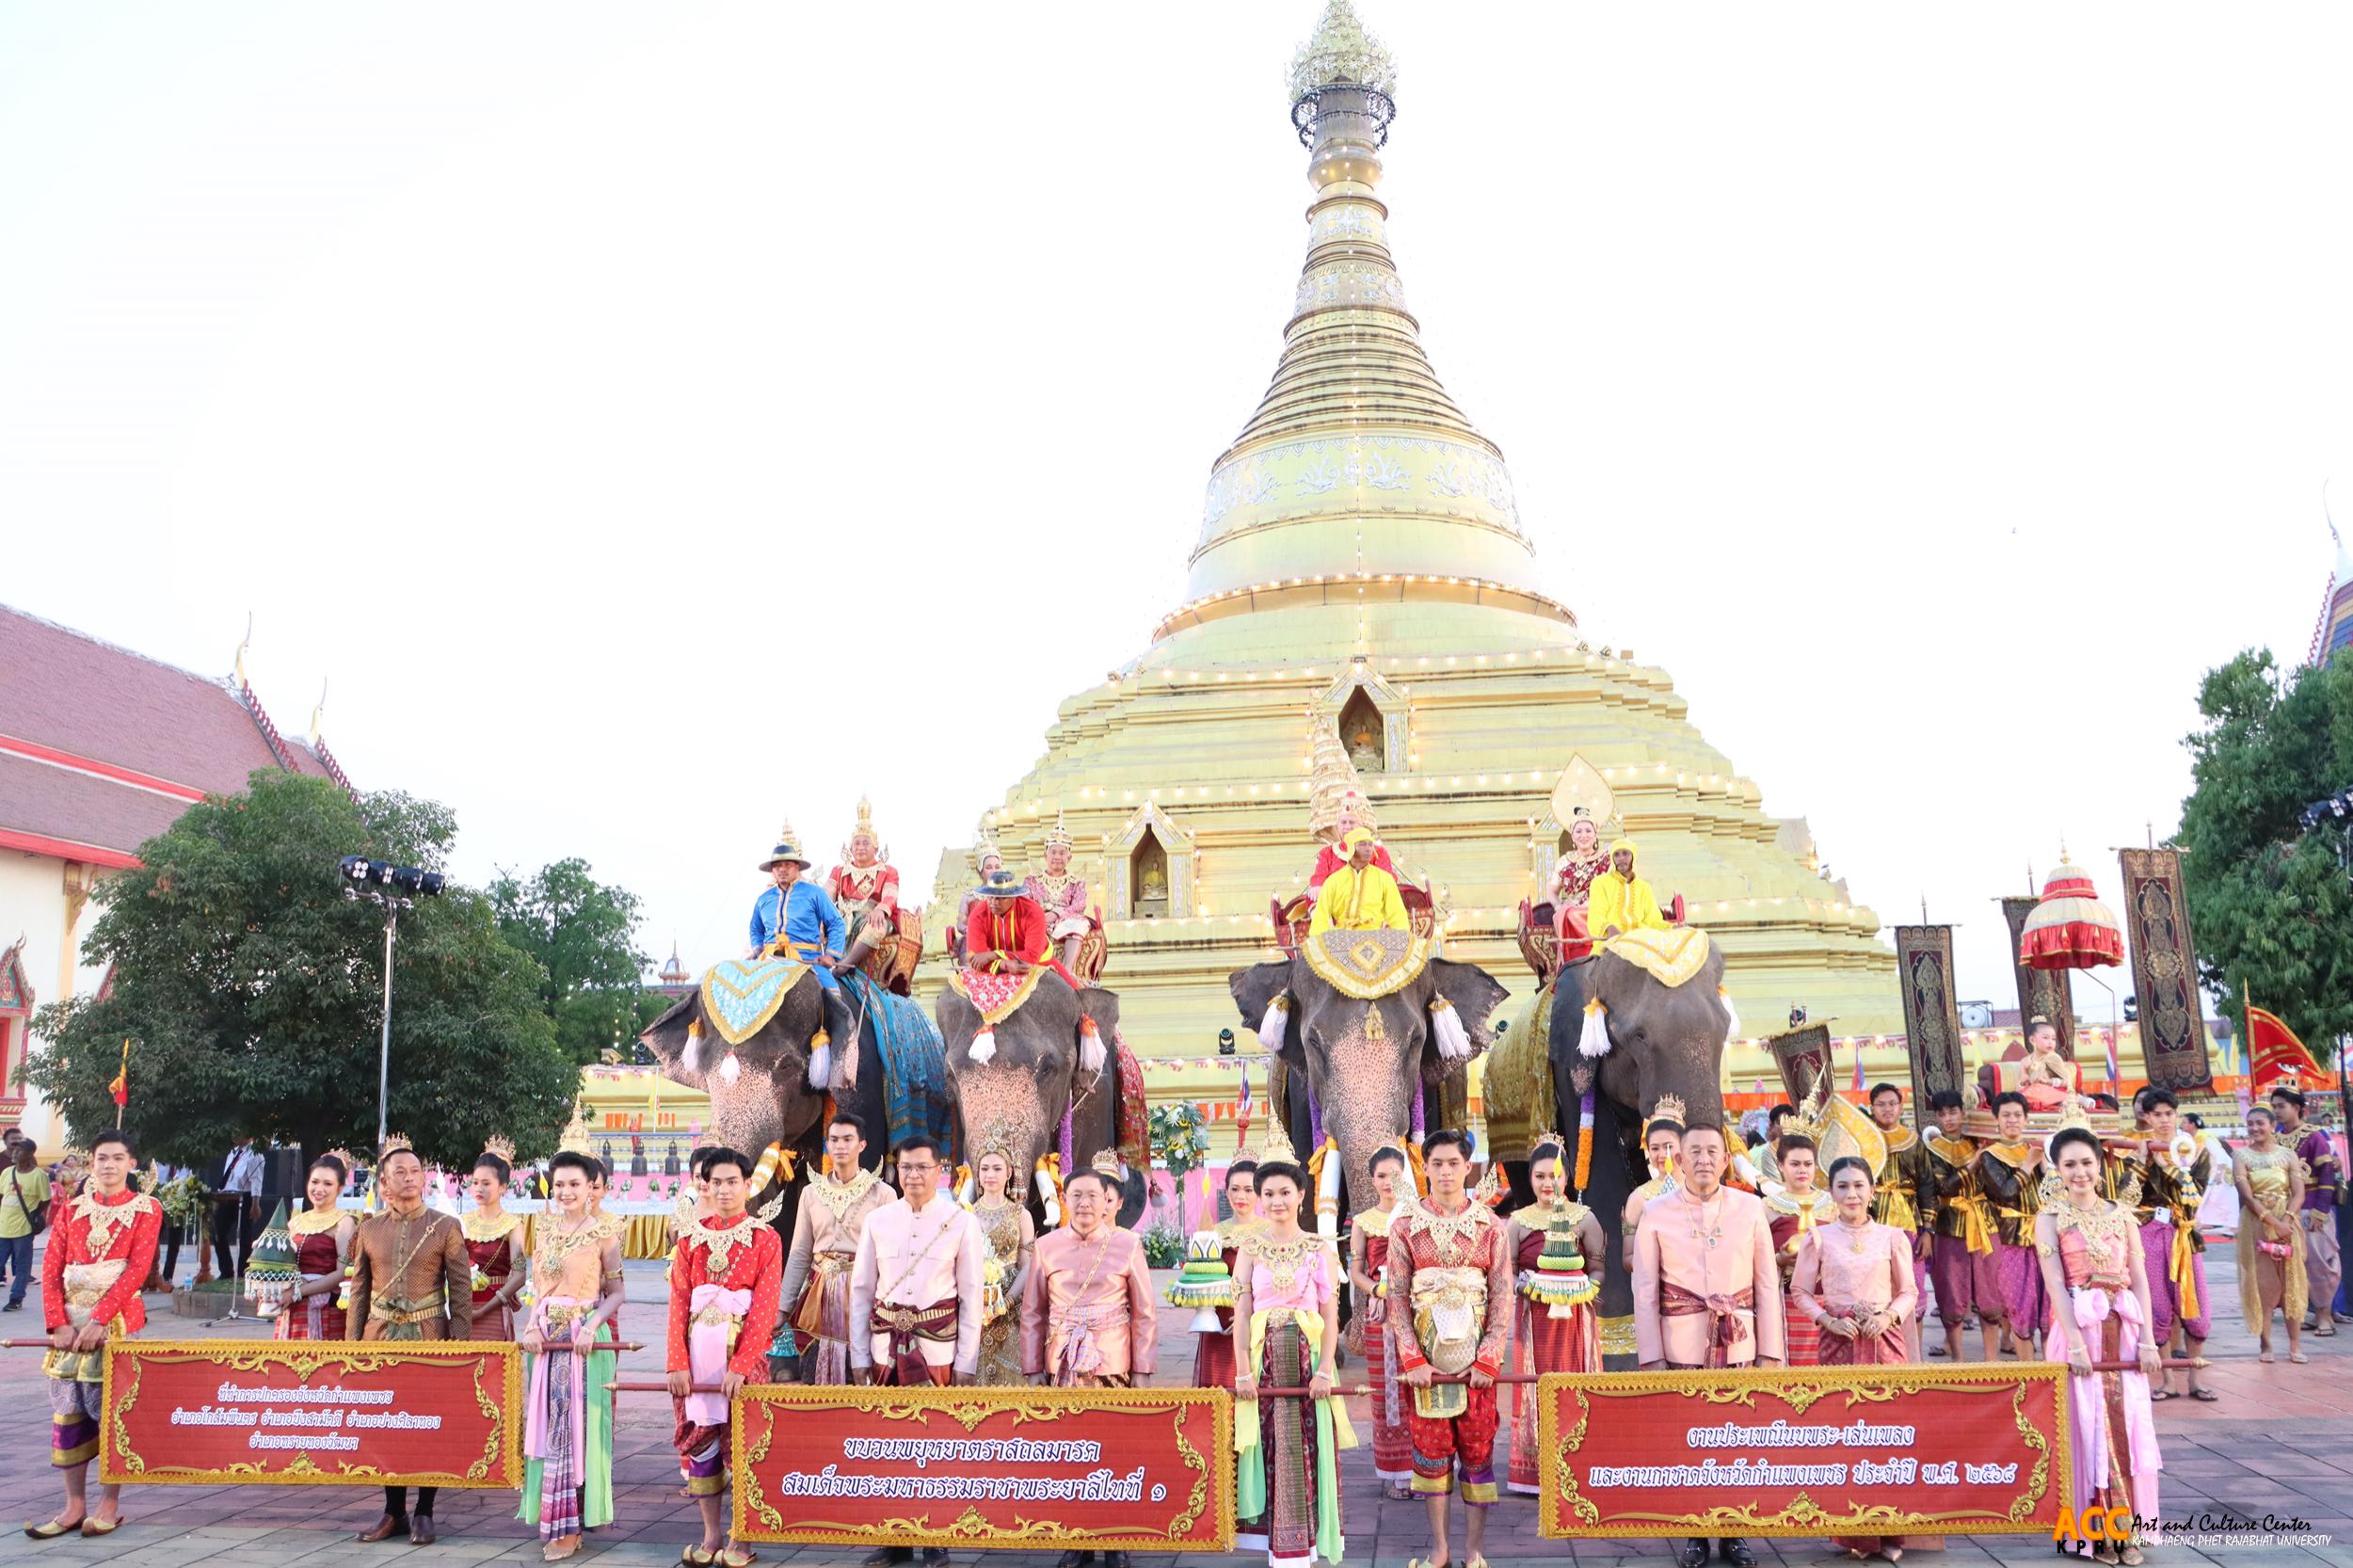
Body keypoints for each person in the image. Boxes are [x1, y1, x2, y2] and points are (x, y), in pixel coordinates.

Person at [1634, 1121, 1784, 1568]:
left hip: (1737, 1349)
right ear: (1677, 1160)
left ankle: (1736, 1534)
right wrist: (1652, 1356)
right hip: (1681, 1353)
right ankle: (1695, 1534)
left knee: (1737, 1442)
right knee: (1690, 1443)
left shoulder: (1749, 1207)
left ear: (1724, 1158)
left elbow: (1766, 1283)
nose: (1703, 1160)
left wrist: (1770, 1351)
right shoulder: (1656, 1212)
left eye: (1711, 1152)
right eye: (1693, 1152)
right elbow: (1645, 1290)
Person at [851, 1135, 982, 1568]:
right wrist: (858, 1355)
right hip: (887, 1350)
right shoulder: (878, 1220)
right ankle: (895, 1537)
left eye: (922, 1167)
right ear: (896, 1169)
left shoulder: (961, 1222)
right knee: (888, 1447)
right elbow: (862, 1291)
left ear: (939, 1169)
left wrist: (966, 1361)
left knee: (936, 1445)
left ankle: (936, 1539)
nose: (913, 1175)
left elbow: (972, 1297)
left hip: (937, 1354)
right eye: (906, 1167)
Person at [26, 1129, 161, 1542]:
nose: (109, 1165)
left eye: (118, 1158)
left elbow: (136, 1271)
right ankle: (72, 1505)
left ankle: (109, 1504)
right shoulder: (70, 1208)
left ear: (132, 1165)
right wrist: (59, 1323)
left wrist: (100, 1320)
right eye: (102, 1158)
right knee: (69, 1414)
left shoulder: (146, 1209)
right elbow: (51, 1268)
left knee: (113, 1414)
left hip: (117, 1322)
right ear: (91, 1163)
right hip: (70, 1325)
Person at [2038, 1124, 2164, 1564]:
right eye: (2069, 1164)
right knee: (2084, 1429)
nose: (2079, 1172)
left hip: (2123, 1331)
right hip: (2079, 1332)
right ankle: (2092, 1536)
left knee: (2128, 1424)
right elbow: (2054, 1285)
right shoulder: (2049, 1219)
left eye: (2086, 1163)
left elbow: (2142, 1283)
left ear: (2100, 1164)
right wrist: (2074, 1343)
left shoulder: (2124, 1216)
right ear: (2057, 1169)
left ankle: (2128, 1533)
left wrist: (2149, 1339)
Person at [1387, 1129, 1512, 1568]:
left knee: (1478, 1456)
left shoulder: (1490, 1227)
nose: (1445, 1171)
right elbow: (1397, 1298)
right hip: (1427, 1369)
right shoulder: (1405, 1226)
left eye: (1453, 1163)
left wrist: (1489, 1358)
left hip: (1476, 1369)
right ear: (1425, 1168)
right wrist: (1413, 1358)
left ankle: (1473, 1551)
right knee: (1431, 1456)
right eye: (1436, 1163)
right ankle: (1439, 1548)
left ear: (1467, 1166)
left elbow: (1501, 1296)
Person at [1793, 1155, 1919, 1563]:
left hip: (1885, 1341)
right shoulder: (1819, 1237)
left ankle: (1891, 1532)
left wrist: (1887, 1316)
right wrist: (1827, 1319)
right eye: (1843, 1186)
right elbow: (1800, 1292)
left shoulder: (1892, 1236)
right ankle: (1853, 1535)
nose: (1851, 1194)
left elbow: (1909, 1292)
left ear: (1872, 1191)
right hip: (1839, 1344)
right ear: (1830, 1192)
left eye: (1859, 1185)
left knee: (1890, 1436)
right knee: (1845, 1437)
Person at [347, 1137, 472, 1545]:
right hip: (378, 1338)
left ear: (424, 1178)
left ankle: (424, 1512)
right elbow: (359, 1292)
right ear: (383, 1183)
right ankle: (393, 1511)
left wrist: (461, 1347)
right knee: (386, 1424)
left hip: (429, 1335)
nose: (408, 1178)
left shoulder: (445, 1226)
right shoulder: (369, 1229)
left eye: (415, 1171)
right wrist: (350, 1348)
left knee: (426, 1423)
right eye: (399, 1172)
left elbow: (461, 1290)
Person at [667, 1145, 784, 1568]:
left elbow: (766, 1308)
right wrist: (676, 1362)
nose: (724, 1189)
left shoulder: (764, 1238)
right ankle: (711, 1535)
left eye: (732, 1181)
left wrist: (742, 1364)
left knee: (745, 1447)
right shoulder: (690, 1239)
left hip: (743, 1363)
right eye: (716, 1182)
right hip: (696, 1364)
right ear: (705, 1184)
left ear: (748, 1185)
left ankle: (742, 1537)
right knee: (702, 1446)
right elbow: (678, 1304)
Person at [1231, 1159, 1347, 1568]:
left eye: (1285, 1193)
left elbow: (1331, 1317)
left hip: (1307, 1361)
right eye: (1268, 1194)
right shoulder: (1250, 1248)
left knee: (1308, 1450)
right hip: (1263, 1363)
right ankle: (1278, 1547)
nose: (1277, 1201)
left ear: (1301, 1196)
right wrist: (1242, 1370)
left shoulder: (1319, 1249)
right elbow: (1242, 1314)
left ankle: (1305, 1546)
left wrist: (1323, 1371)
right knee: (1270, 1448)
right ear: (1260, 1200)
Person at [519, 1150, 626, 1561]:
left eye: (574, 1184)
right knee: (548, 1431)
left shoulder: (604, 1233)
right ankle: (552, 1519)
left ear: (590, 1189)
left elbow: (616, 1294)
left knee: (578, 1434)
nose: (566, 1192)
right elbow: (538, 1290)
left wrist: (593, 1326)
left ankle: (573, 1525)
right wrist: (531, 1326)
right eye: (559, 1184)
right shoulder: (543, 1230)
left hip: (584, 1341)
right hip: (546, 1343)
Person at [1505, 1137, 1599, 1496]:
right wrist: (1520, 1286)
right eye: (1540, 1176)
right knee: (1535, 1385)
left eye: (1555, 1177)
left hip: (1575, 1320)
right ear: (1530, 1179)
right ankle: (1535, 1472)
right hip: (1534, 1321)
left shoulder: (1584, 1219)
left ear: (1567, 1178)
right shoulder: (1517, 1222)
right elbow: (1507, 1271)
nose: (1548, 1184)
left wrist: (1587, 1287)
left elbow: (1599, 1268)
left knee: (1572, 1387)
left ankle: (1577, 1464)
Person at [777, 1113, 892, 1385]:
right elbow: (799, 1254)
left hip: (863, 1294)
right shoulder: (810, 1193)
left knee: (861, 1374)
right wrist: (783, 1307)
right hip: (819, 1295)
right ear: (827, 1145)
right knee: (813, 1372)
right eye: (834, 1140)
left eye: (848, 1139)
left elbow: (889, 1258)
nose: (840, 1146)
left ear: (862, 1145)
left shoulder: (883, 1194)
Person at [1022, 1160, 1157, 1387]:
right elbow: (1033, 1312)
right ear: (1064, 1200)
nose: (1084, 1203)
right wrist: (1032, 1367)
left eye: (1092, 1196)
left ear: (1106, 1200)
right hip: (1060, 1364)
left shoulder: (1129, 1246)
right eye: (1076, 1195)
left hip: (1114, 1364)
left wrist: (1143, 1369)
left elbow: (1144, 1313)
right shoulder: (1045, 1247)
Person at [2130, 1088, 2213, 1401]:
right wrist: (2141, 1161)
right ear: (2147, 1117)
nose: (2164, 1119)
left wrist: (2168, 1167)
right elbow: (2127, 1197)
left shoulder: (2197, 1150)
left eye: (2169, 1113)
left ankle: (2196, 1378)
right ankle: (2167, 1379)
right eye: (2157, 1114)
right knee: (2157, 1304)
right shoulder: (2138, 1149)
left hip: (2184, 1234)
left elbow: (2195, 1197)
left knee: (2195, 1303)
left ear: (2177, 1115)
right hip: (2150, 1233)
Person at [1347, 1144, 1413, 1500]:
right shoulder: (1363, 1221)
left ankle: (1424, 1470)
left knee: (1418, 1391)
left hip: (1416, 1315)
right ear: (1371, 1179)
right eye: (1381, 1175)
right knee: (1387, 1392)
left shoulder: (1415, 1215)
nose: (1388, 1182)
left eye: (1395, 1175)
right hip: (1381, 1315)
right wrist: (1376, 1289)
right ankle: (1395, 1472)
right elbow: (1356, 1271)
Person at [1919, 1089, 1995, 1361]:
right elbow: (1942, 1186)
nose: (1948, 1118)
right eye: (1942, 1113)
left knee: (1989, 1290)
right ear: (1937, 1117)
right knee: (1951, 1290)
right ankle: (1958, 1359)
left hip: (1983, 1223)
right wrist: (1973, 1164)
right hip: (1950, 1225)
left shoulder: (1980, 1141)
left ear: (1963, 1113)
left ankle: (1992, 1360)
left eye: (1953, 1112)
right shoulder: (1934, 1150)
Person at [2233, 1104, 2307, 1365]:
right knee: (2263, 1284)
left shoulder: (2288, 1155)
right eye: (2250, 1123)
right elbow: (2247, 1197)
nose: (2255, 1128)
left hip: (2288, 1221)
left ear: (2272, 1125)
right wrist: (2272, 1222)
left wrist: (2287, 1220)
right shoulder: (2241, 1156)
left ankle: (2295, 1345)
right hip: (2257, 1223)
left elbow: (2299, 1192)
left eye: (2260, 1123)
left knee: (2292, 1282)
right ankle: (2265, 1344)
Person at [1973, 1091, 2045, 1357]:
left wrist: (2045, 1165)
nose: (2012, 1120)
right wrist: (2027, 1167)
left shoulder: (2037, 1149)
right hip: (2011, 1238)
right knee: (2020, 1306)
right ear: (1997, 1121)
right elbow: (2005, 1192)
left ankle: (2054, 1376)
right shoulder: (1990, 1156)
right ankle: (2028, 1376)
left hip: (2044, 1237)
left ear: (2026, 1120)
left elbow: (2052, 1192)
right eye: (2006, 1115)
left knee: (2050, 1311)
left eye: (2017, 1115)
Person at [1865, 1083, 1931, 1357]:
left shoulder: (1913, 1141)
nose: (1888, 1109)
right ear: (1872, 1108)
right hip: (1872, 1223)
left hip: (1908, 1224)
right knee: (1876, 1288)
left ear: (1900, 1106)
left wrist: (1927, 1230)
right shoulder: (1865, 1139)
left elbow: (1926, 1185)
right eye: (1881, 1104)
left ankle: (1913, 1358)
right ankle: (1880, 1354)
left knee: (1911, 1287)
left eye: (1892, 1103)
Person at [2270, 1086, 2340, 1339]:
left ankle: (2325, 1315)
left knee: (2320, 1263)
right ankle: (2309, 1311)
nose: (2277, 1111)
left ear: (2296, 1108)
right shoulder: (2275, 1137)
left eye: (2281, 1106)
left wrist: (2321, 1211)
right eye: (2274, 1106)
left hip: (2312, 1208)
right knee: (2294, 1264)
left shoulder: (2315, 1137)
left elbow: (2328, 1175)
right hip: (2284, 1210)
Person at [1763, 1134, 1835, 1367]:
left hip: (1828, 1298)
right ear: (1781, 1166)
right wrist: (1780, 1259)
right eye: (1794, 1164)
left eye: (1808, 1164)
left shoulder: (1833, 1204)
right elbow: (1758, 1259)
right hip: (1785, 1300)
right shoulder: (1767, 1207)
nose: (1802, 1170)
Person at [971, 1144, 1037, 1385]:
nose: (990, 1175)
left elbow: (1027, 1265)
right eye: (985, 1169)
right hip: (974, 1299)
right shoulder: (966, 1213)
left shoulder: (1021, 1214)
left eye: (997, 1169)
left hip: (1011, 1302)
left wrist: (1007, 1300)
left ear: (1009, 1173)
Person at [1193, 1161, 1260, 1390]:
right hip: (1219, 1323)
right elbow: (1200, 1278)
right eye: (1234, 1189)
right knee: (1219, 1391)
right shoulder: (1214, 1233)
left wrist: (1251, 1317)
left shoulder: (1269, 1232)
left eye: (1248, 1190)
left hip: (1259, 1321)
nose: (1241, 1196)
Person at [278, 1154, 356, 1341]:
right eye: (315, 1182)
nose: (319, 1189)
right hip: (292, 1308)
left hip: (325, 1308)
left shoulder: (344, 1223)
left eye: (328, 1184)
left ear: (340, 1188)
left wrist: (298, 1292)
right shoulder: (296, 1222)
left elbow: (343, 1274)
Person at [964, 867, 1082, 989]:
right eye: (990, 897)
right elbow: (975, 958)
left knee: (1075, 993)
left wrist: (993, 955)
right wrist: (1004, 965)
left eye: (1000, 898)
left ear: (1014, 897)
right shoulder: (977, 916)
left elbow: (1031, 956)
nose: (994, 902)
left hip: (1039, 963)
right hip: (997, 967)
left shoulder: (1033, 912)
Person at [827, 796, 904, 958]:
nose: (860, 847)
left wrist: (880, 910)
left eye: (865, 843)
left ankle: (846, 963)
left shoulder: (888, 871)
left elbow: (890, 897)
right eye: (856, 843)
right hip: (840, 920)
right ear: (850, 847)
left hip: (870, 918)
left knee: (878, 926)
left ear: (875, 847)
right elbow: (825, 896)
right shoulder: (839, 871)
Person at [465, 1144, 525, 1341]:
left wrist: (487, 1308)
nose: (479, 1188)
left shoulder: (513, 1225)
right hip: (462, 1308)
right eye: (475, 1182)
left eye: (486, 1183)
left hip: (494, 1308)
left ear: (503, 1187)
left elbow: (519, 1276)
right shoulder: (461, 1222)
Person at [1307, 828, 1407, 936]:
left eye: (1370, 845)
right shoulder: (1333, 881)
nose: (1368, 849)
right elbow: (1321, 916)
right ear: (1351, 848)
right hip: (1342, 939)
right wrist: (1318, 944)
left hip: (1375, 937)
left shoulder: (1385, 879)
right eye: (1363, 844)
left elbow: (1397, 915)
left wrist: (1402, 939)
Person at [1622, 1096, 1687, 1259]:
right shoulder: (1638, 1198)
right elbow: (1628, 1257)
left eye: (1668, 1146)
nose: (1662, 1154)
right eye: (1655, 1148)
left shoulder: (1699, 1190)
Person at [1026, 815, 1095, 972]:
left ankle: (1067, 970)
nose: (1057, 857)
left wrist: (1057, 914)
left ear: (1069, 857)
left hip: (1066, 921)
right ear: (1045, 856)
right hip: (1039, 922)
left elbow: (1079, 904)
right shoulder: (1031, 881)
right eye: (1054, 852)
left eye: (1062, 853)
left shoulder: (1076, 882)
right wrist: (1043, 917)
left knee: (1080, 923)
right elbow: (1026, 904)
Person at [1550, 811, 1611, 960]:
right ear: (1572, 836)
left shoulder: (1607, 860)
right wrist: (1559, 908)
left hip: (1600, 910)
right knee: (1569, 914)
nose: (1584, 835)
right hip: (1572, 913)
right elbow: (1552, 892)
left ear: (1595, 835)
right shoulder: (1564, 862)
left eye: (1588, 831)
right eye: (1578, 831)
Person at [2, 1134, 53, 1312]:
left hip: (23, 1229)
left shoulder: (39, 1176)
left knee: (22, 1266)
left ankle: (16, 1299)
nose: (15, 1152)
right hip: (3, 1227)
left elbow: (46, 1199)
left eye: (20, 1149)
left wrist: (33, 1215)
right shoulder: (8, 1172)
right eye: (14, 1148)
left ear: (30, 1153)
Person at [1307, 795, 1396, 896]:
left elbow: (1387, 881)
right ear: (1338, 826)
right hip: (1335, 902)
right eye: (1343, 822)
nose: (1347, 827)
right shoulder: (1327, 853)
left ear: (1361, 825)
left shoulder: (1378, 852)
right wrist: (1317, 887)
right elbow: (1319, 877)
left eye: (1352, 822)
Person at [1587, 840, 1669, 942]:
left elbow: (1653, 920)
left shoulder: (1644, 887)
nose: (1621, 858)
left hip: (1640, 942)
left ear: (1633, 857)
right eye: (1616, 855)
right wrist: (1609, 928)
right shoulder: (1599, 883)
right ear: (1612, 859)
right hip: (1610, 943)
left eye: (1625, 854)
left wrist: (1672, 928)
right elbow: (1596, 916)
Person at [210, 1134, 264, 1280]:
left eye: (238, 1133)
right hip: (227, 1195)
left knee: (245, 1235)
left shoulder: (255, 1153)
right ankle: (226, 1270)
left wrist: (255, 1203)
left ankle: (243, 1272)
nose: (234, 1136)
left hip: (244, 1196)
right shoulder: (232, 1152)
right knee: (217, 1232)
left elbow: (256, 1180)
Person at [2187, 1113, 2237, 1237]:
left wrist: (2220, 1173)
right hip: (2217, 1169)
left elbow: (2219, 1155)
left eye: (2184, 1122)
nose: (2182, 1125)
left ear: (2192, 1125)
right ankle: (2207, 1221)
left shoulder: (2205, 1137)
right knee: (2211, 1196)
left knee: (2218, 1197)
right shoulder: (2198, 1137)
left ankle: (2230, 1224)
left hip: (2222, 1170)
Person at [2018, 1017, 2074, 1112]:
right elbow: (2021, 1083)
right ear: (2032, 1040)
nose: (2050, 1042)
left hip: (2051, 1091)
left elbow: (2068, 1081)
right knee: (2021, 1096)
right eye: (2045, 1038)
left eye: (2053, 1039)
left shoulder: (2053, 1058)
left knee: (2039, 1090)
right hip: (2032, 1093)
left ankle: (2072, 1100)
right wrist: (2023, 1080)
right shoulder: (2025, 1061)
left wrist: (2049, 1082)